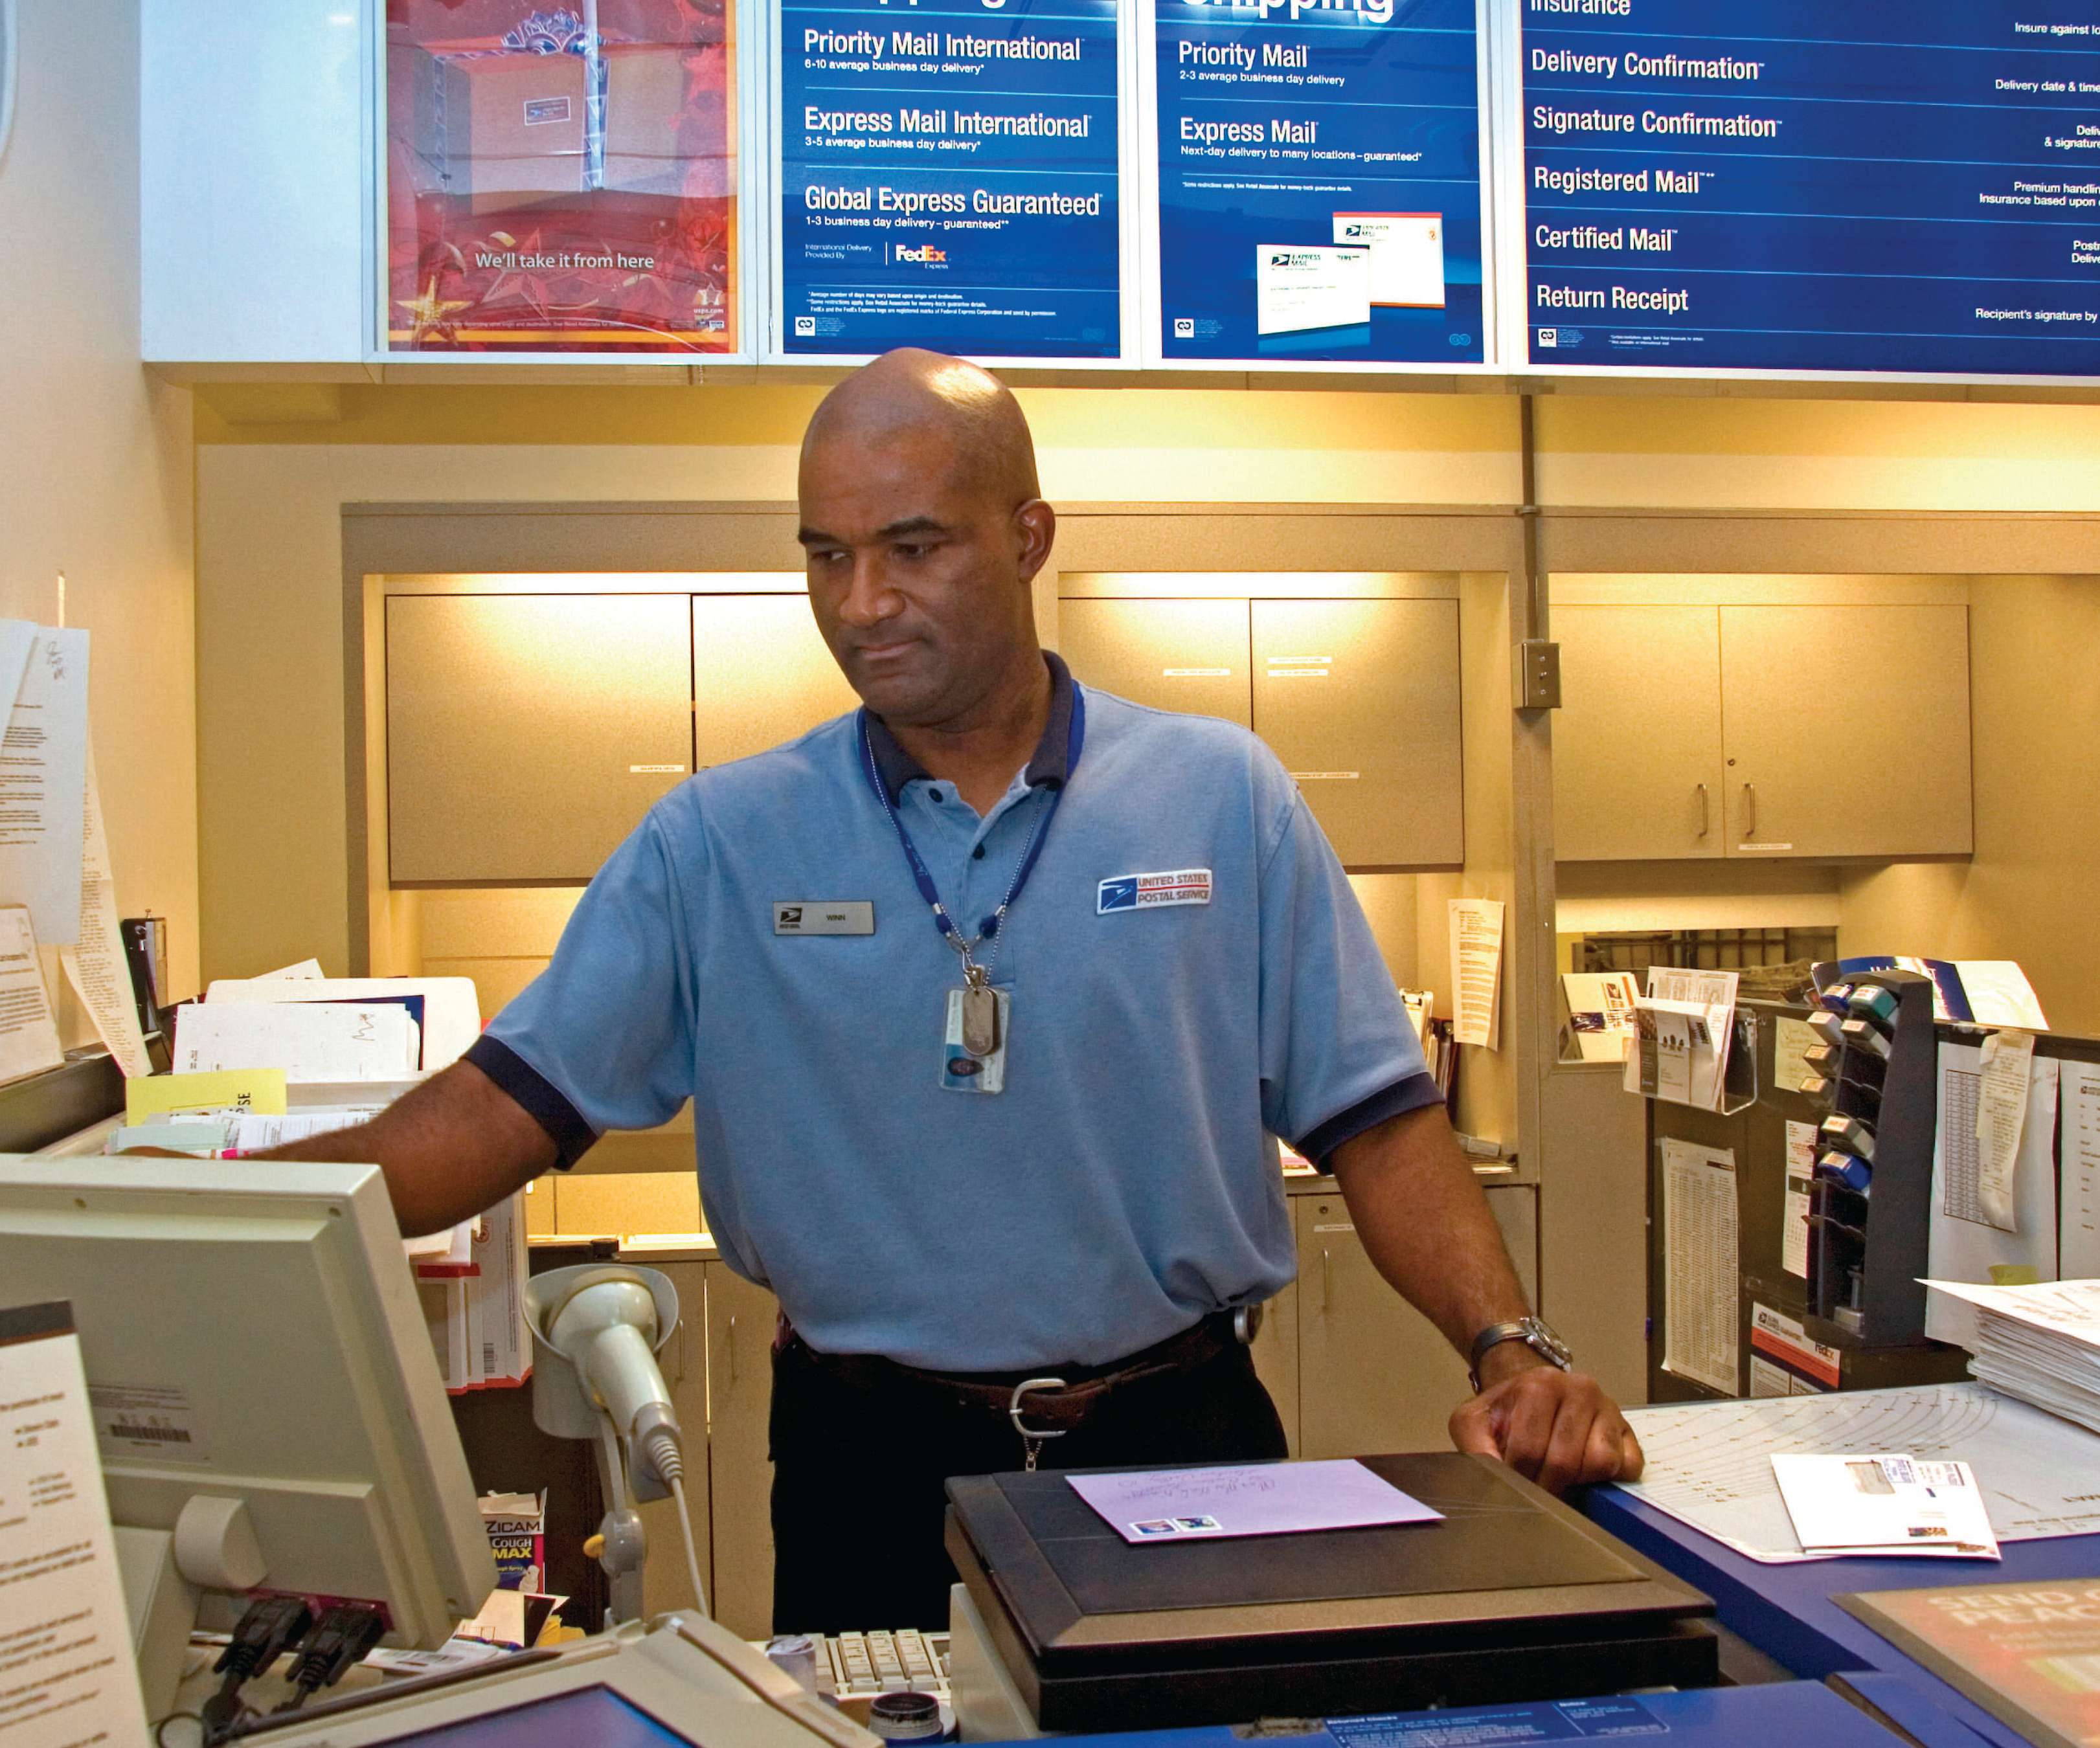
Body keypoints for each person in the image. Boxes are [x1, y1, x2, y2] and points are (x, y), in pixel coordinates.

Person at [258, 348, 1642, 1632]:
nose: (862, 603)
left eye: (912, 548)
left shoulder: (1220, 799)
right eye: (828, 556)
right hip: (867, 1464)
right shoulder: (719, 843)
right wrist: (215, 1212)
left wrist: (1505, 1349)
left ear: (1028, 538)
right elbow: (501, 1109)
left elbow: (1378, 1120)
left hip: (1177, 1435)